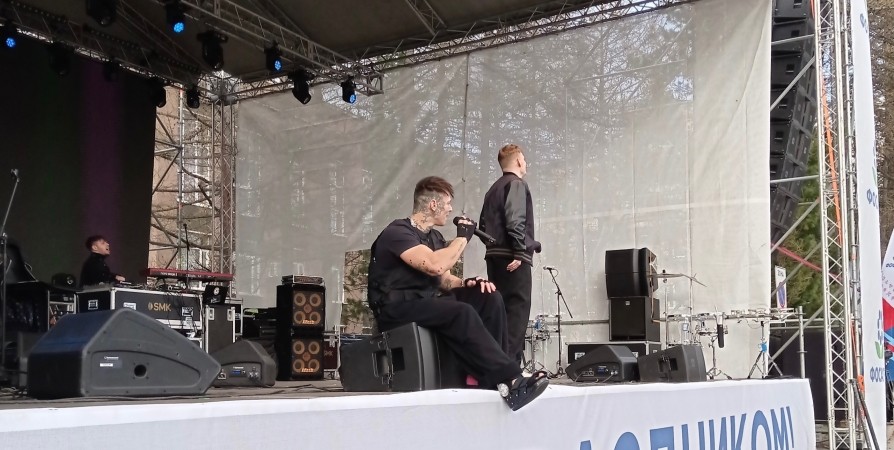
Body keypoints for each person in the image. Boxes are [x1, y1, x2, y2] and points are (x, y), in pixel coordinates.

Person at [367, 176, 548, 411]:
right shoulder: (398, 232)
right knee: (460, 311)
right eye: (448, 203)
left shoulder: (435, 238)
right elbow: (434, 265)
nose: (450, 209)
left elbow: (444, 279)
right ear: (433, 204)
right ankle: (511, 379)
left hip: (426, 304)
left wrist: (467, 283)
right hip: (395, 309)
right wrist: (463, 237)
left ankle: (493, 379)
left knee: (489, 297)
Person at [479, 144, 541, 366]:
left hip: (495, 256)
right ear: (518, 161)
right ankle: (510, 369)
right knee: (516, 313)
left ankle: (499, 366)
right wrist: (519, 250)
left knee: (501, 313)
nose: (526, 163)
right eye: (524, 159)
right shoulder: (516, 184)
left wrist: (493, 246)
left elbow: (482, 226)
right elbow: (515, 220)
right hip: (513, 256)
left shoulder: (493, 189)